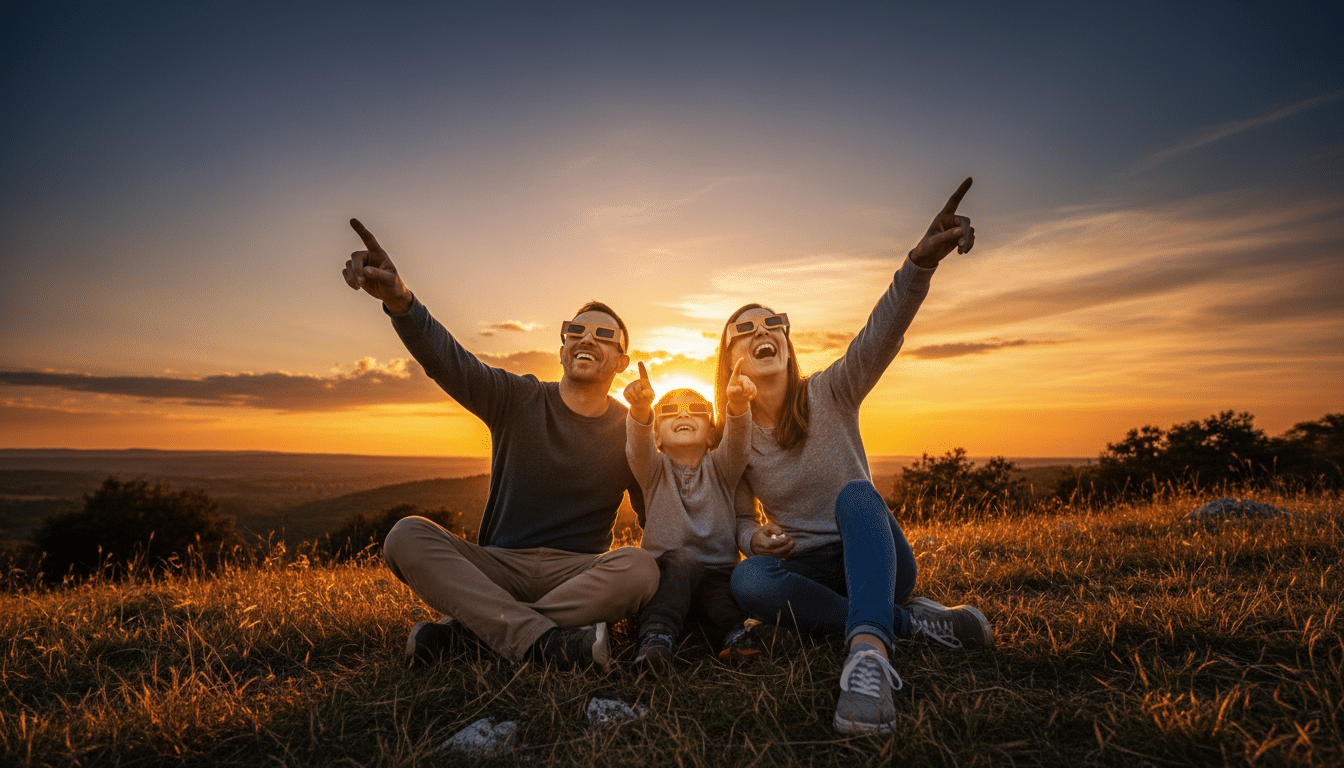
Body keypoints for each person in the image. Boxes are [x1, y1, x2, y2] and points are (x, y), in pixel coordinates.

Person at [714, 179, 993, 734]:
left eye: (774, 323)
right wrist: (753, 540)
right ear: (729, 361)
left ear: (788, 344)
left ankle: (869, 653)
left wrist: (919, 262)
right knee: (749, 583)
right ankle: (910, 625)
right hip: (810, 573)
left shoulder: (831, 392)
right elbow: (742, 518)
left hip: (876, 557)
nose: (762, 331)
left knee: (857, 493)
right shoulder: (734, 438)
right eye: (744, 330)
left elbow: (881, 332)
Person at [341, 218, 659, 669]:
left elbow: (657, 517)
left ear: (623, 361)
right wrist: (400, 300)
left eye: (605, 335)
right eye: (576, 330)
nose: (587, 337)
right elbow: (450, 362)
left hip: (577, 574)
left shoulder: (633, 430)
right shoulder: (518, 397)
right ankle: (547, 642)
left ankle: (475, 637)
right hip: (497, 568)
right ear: (563, 348)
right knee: (406, 535)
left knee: (640, 568)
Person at [622, 360, 760, 670]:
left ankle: (738, 636)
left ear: (711, 434)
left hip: (718, 572)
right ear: (657, 437)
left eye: (696, 409)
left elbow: (738, 444)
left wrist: (736, 404)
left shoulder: (723, 468)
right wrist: (642, 410)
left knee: (722, 602)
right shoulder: (653, 471)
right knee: (680, 565)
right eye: (669, 412)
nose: (683, 414)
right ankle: (655, 638)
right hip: (666, 573)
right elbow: (637, 449)